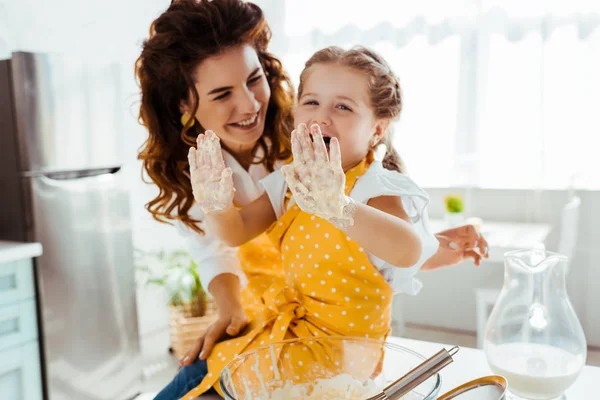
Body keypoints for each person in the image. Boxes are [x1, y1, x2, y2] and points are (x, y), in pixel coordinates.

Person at [135, 1, 489, 396]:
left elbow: (401, 252)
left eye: (254, 79)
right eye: (221, 94)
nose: (251, 105)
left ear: (378, 130)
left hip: (338, 357)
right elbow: (225, 240)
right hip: (272, 331)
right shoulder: (274, 177)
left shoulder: (362, 178)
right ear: (185, 104)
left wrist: (346, 210)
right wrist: (216, 202)